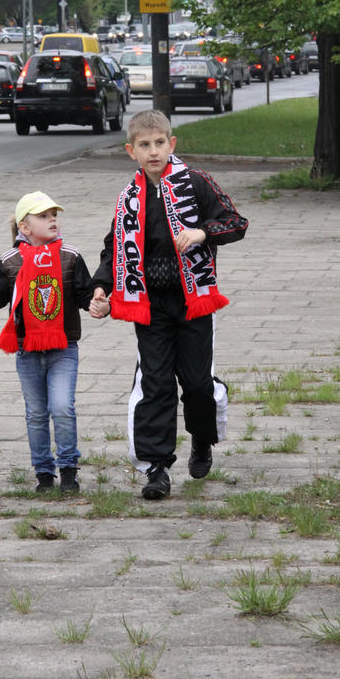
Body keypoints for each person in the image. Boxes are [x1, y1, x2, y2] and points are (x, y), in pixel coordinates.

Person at [89, 109, 247, 499]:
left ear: (171, 144)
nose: (153, 151)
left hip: (194, 301)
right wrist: (100, 288)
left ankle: (202, 438)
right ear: (131, 151)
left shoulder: (196, 183)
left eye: (160, 143)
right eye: (145, 145)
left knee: (196, 382)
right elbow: (114, 246)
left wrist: (201, 232)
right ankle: (155, 467)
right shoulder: (128, 198)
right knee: (156, 382)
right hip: (150, 304)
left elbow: (235, 221)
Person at [0, 191, 93, 494]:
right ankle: (44, 474)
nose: (53, 220)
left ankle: (69, 470)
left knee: (62, 408)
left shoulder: (70, 256)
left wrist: (101, 301)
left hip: (64, 348)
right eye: (44, 216)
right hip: (27, 350)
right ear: (24, 227)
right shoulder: (10, 261)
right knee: (36, 413)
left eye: (54, 215)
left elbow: (86, 295)